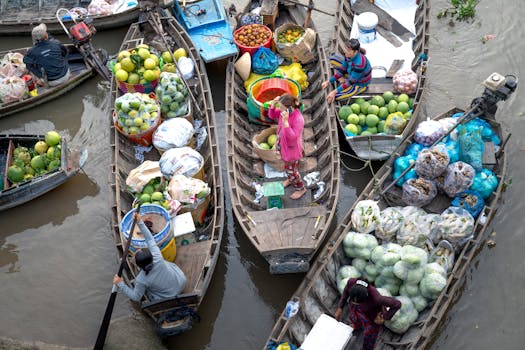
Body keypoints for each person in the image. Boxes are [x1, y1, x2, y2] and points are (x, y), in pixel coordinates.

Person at [113, 212, 187, 302]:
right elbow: (149, 239)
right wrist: (140, 221)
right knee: (168, 265)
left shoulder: (141, 279)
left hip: (169, 296)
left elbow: (136, 297)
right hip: (181, 281)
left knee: (147, 290)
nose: (138, 249)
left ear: (139, 265)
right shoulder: (157, 256)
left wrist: (120, 284)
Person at [335, 278, 401, 350]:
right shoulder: (351, 282)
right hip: (358, 310)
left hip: (372, 315)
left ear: (366, 295)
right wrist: (340, 307)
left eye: (358, 302)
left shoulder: (377, 298)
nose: (356, 303)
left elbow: (397, 304)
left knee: (370, 335)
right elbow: (345, 293)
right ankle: (357, 326)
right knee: (354, 317)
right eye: (353, 301)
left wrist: (385, 318)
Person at [268, 93, 307, 200]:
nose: (280, 110)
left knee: (292, 171)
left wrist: (285, 122)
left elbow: (293, 138)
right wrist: (273, 105)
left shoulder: (298, 119)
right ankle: (290, 179)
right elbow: (272, 116)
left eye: (282, 108)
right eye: (280, 107)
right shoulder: (284, 113)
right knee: (288, 168)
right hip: (283, 146)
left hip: (292, 151)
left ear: (290, 108)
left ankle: (301, 188)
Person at [322, 38, 372, 104]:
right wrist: (328, 81)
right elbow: (342, 70)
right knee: (333, 59)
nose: (345, 51)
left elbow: (350, 82)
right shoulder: (348, 55)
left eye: (348, 50)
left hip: (359, 83)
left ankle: (348, 82)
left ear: (355, 52)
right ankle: (344, 79)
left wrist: (334, 92)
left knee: (337, 97)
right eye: (345, 49)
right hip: (351, 72)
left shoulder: (359, 64)